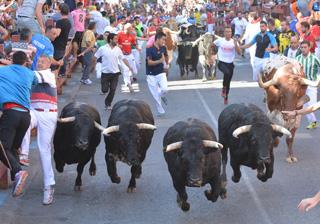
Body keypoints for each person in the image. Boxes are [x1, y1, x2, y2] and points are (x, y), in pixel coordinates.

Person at [0, 51, 46, 197]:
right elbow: (36, 81)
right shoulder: (30, 74)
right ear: (25, 61)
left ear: (11, 60)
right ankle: (17, 177)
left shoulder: (3, 71)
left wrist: (6, 62)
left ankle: (18, 172)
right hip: (25, 115)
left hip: (10, 112)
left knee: (3, 146)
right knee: (13, 147)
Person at [20, 54, 57, 205]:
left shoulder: (48, 75)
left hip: (48, 115)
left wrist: (16, 66)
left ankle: (49, 186)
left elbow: (31, 75)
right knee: (25, 117)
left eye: (43, 61)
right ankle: (24, 153)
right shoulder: (32, 74)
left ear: (48, 64)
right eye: (38, 61)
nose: (39, 63)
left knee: (44, 150)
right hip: (34, 110)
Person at [94, 33, 133, 110]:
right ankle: (105, 90)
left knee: (113, 90)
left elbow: (123, 58)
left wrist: (129, 66)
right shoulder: (103, 48)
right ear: (111, 39)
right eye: (115, 39)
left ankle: (108, 104)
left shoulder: (118, 49)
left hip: (115, 73)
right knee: (104, 90)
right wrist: (95, 67)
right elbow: (95, 57)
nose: (117, 40)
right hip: (105, 73)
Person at [296, 40, 320, 129]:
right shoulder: (297, 58)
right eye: (301, 47)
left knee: (311, 104)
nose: (303, 49)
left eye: (305, 47)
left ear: (309, 47)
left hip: (311, 85)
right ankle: (313, 122)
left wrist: (318, 79)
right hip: (301, 85)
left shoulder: (314, 58)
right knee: (304, 104)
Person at [214, 26, 241, 105]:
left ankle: (226, 96)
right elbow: (212, 45)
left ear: (231, 33)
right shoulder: (220, 41)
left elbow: (239, 53)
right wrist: (211, 55)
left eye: (230, 32)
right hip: (221, 62)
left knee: (228, 81)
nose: (228, 33)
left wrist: (236, 44)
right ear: (224, 33)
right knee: (227, 73)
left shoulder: (234, 41)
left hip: (230, 63)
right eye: (227, 32)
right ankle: (223, 88)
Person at [146, 31, 168, 116]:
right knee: (155, 96)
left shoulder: (163, 48)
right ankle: (161, 111)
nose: (164, 42)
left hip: (161, 73)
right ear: (157, 39)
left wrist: (166, 65)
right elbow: (149, 63)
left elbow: (165, 56)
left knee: (165, 89)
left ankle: (161, 94)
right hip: (151, 74)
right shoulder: (149, 50)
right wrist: (160, 61)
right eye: (163, 40)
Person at [117, 23, 138, 92]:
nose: (132, 30)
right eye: (131, 28)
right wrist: (118, 46)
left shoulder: (131, 35)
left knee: (134, 71)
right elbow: (114, 42)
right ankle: (128, 84)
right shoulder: (119, 34)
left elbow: (134, 43)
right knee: (126, 69)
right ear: (127, 29)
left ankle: (130, 77)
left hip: (130, 55)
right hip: (122, 56)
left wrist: (137, 47)